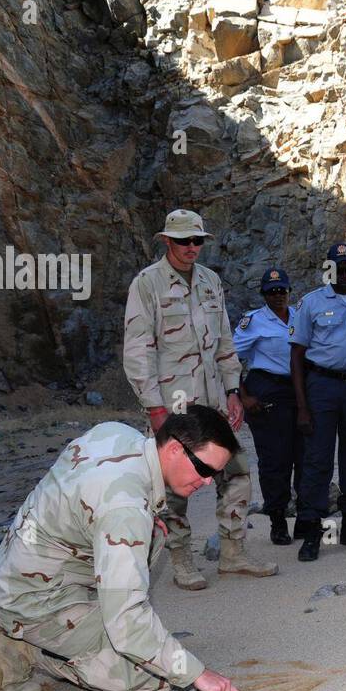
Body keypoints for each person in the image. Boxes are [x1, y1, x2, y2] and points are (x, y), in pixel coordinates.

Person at [0, 407, 248, 691]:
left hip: (19, 564)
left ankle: (87, 619)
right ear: (175, 448)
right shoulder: (126, 510)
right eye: (204, 470)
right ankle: (27, 649)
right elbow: (127, 620)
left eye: (216, 474)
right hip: (34, 599)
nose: (207, 482)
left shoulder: (119, 433)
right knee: (154, 679)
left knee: (151, 533)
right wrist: (198, 674)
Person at [122, 208, 277, 588]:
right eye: (183, 241)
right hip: (174, 406)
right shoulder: (147, 284)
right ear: (167, 241)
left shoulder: (210, 281)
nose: (192, 247)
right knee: (175, 485)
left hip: (215, 403)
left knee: (237, 473)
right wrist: (154, 408)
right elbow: (138, 349)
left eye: (197, 240)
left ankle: (233, 553)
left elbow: (225, 341)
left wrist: (232, 390)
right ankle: (181, 559)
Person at [289, 242, 346, 561]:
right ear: (327, 269)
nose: (344, 273)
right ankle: (314, 531)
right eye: (337, 268)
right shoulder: (310, 303)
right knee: (317, 460)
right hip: (322, 386)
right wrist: (301, 406)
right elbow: (297, 355)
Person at [234, 266, 305, 545]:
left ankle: (305, 518)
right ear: (264, 295)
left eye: (282, 291)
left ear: (289, 291)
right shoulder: (253, 322)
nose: (278, 296)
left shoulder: (301, 317)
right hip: (267, 392)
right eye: (271, 292)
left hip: (299, 391)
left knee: (305, 457)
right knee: (275, 461)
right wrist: (243, 395)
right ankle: (277, 520)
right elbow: (229, 359)